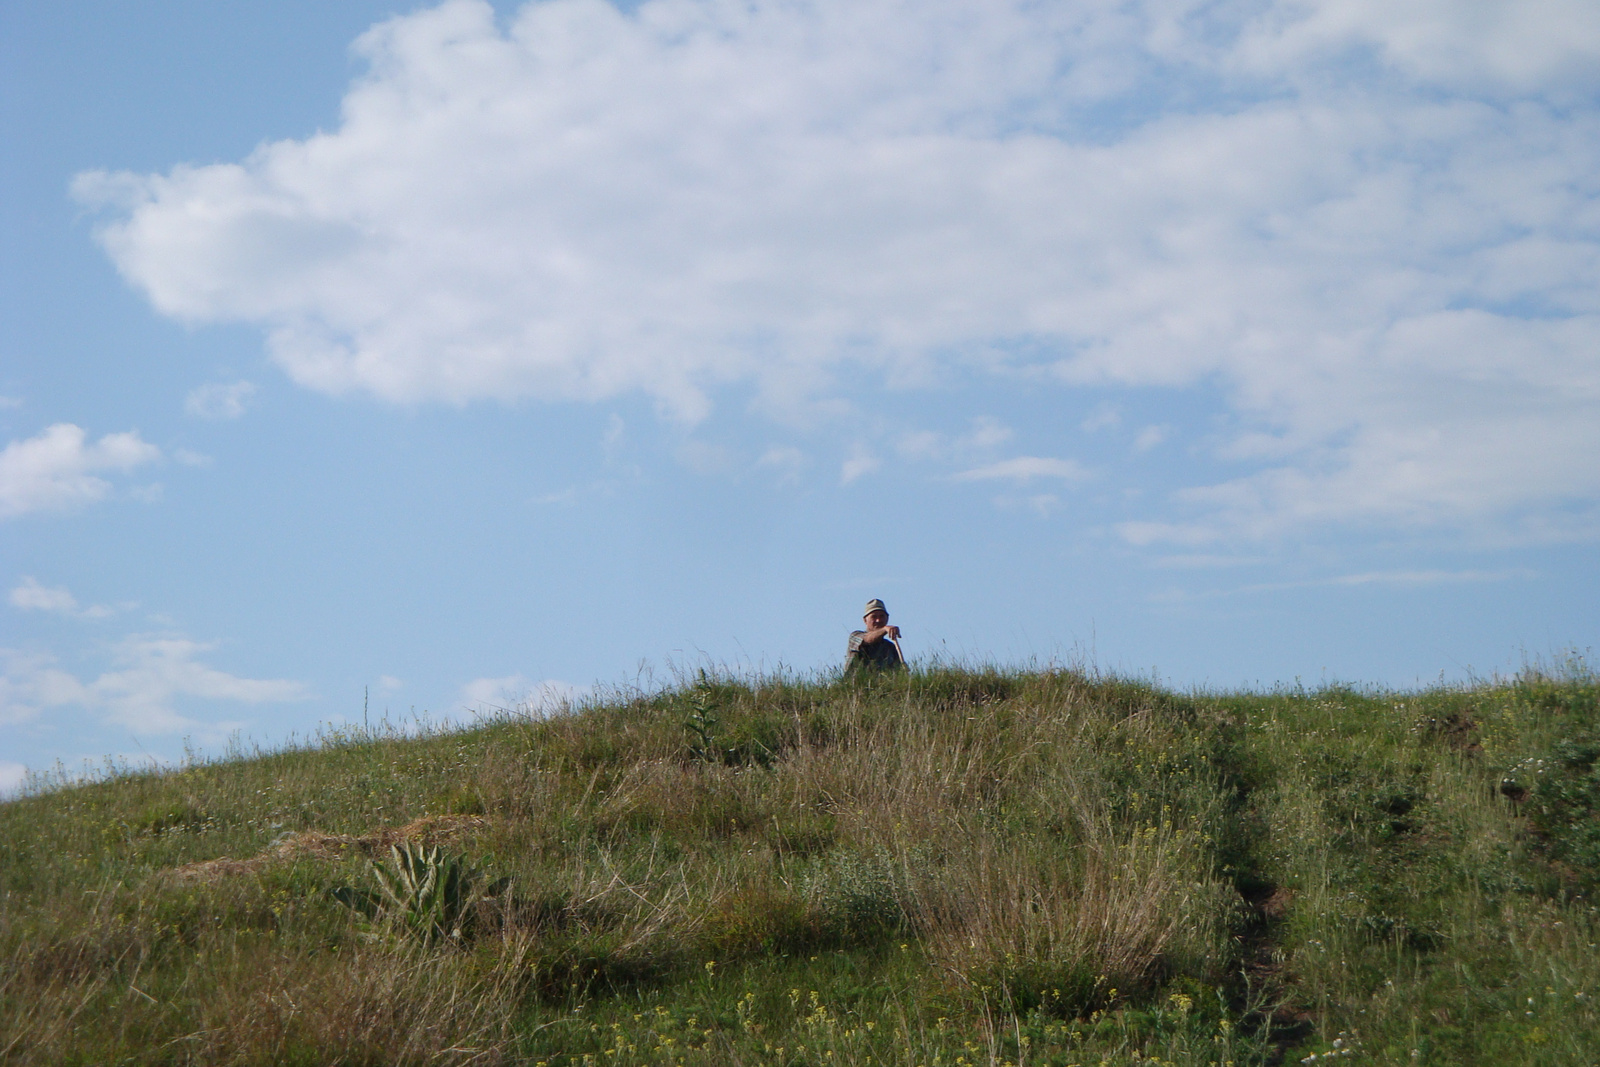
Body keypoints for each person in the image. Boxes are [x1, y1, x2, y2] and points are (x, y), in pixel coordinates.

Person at [846, 598, 905, 673]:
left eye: (882, 616)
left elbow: (898, 673)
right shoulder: (855, 636)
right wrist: (884, 629)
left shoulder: (890, 647)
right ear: (865, 620)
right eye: (874, 617)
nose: (878, 620)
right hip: (856, 684)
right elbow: (868, 639)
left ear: (887, 618)